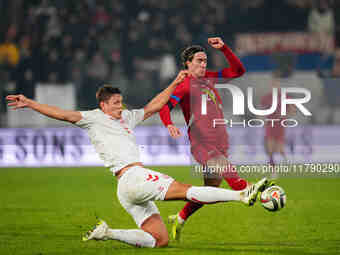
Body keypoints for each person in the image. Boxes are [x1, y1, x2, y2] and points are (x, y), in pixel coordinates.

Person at [6, 71, 268, 248]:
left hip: (125, 189)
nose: (121, 106)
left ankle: (107, 232)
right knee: (186, 191)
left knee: (159, 239)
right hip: (133, 176)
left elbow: (155, 105)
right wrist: (30, 103)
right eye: (116, 103)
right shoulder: (92, 119)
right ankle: (242, 195)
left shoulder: (127, 118)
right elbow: (61, 114)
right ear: (103, 105)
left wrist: (175, 83)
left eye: (121, 102)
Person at [159, 37, 255, 240]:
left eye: (205, 61)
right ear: (188, 63)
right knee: (233, 178)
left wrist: (225, 49)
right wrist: (169, 124)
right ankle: (259, 195)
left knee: (210, 190)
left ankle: (180, 217)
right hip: (202, 143)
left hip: (221, 141)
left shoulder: (210, 78)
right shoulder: (184, 85)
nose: (203, 64)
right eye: (199, 61)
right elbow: (165, 107)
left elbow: (238, 71)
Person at [261, 72, 296, 168]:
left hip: (280, 125)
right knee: (270, 147)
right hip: (270, 124)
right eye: (272, 84)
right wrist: (263, 120)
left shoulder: (284, 96)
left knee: (280, 148)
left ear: (279, 84)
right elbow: (261, 111)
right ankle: (273, 167)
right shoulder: (266, 97)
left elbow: (293, 109)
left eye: (276, 83)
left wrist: (286, 116)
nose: (274, 85)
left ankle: (287, 162)